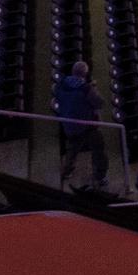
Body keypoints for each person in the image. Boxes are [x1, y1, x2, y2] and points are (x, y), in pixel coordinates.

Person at [54, 60, 109, 189]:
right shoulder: (87, 89)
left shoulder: (61, 84)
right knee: (99, 150)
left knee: (72, 148)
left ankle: (67, 171)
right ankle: (100, 177)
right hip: (87, 125)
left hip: (68, 124)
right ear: (85, 74)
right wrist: (92, 87)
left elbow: (63, 98)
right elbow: (100, 103)